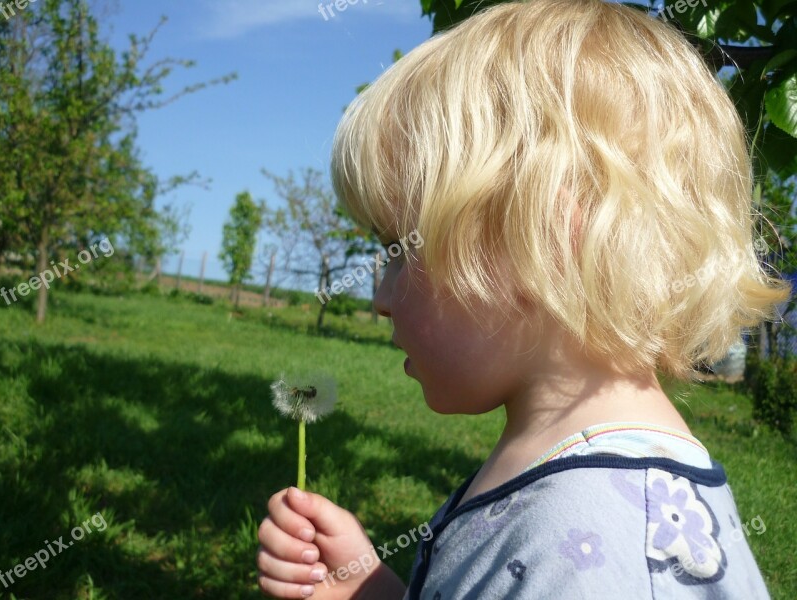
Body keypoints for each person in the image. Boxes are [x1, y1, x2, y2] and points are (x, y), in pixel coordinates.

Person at [256, 0, 792, 598]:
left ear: (544, 236)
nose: (380, 298)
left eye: (400, 248)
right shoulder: (578, 494)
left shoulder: (594, 549)